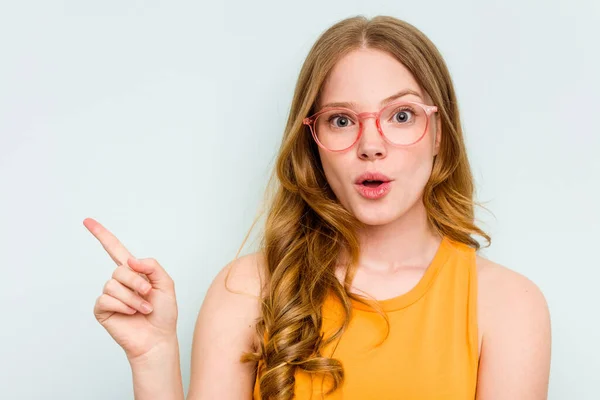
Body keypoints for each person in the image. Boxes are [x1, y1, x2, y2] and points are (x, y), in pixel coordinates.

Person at [85, 15, 551, 400]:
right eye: (342, 120)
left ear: (439, 135)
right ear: (314, 143)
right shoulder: (245, 289)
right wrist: (154, 356)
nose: (371, 144)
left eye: (402, 115)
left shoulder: (508, 305)